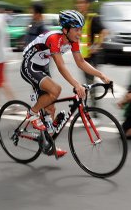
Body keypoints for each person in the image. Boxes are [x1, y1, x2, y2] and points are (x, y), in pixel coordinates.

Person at [20, 10, 111, 157]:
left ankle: (48, 144)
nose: (79, 33)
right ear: (65, 29)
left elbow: (80, 62)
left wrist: (101, 75)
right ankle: (32, 114)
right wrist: (76, 84)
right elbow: (61, 66)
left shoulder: (73, 40)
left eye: (81, 29)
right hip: (29, 65)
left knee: (51, 108)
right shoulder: (54, 39)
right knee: (56, 90)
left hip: (42, 66)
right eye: (76, 29)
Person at [75, 0, 108, 108]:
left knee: (89, 84)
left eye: (82, 2)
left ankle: (93, 111)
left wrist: (96, 46)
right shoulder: (79, 18)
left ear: (88, 4)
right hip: (82, 57)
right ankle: (88, 110)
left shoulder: (92, 17)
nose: (80, 5)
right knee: (87, 84)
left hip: (91, 57)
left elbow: (104, 32)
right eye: (78, 2)